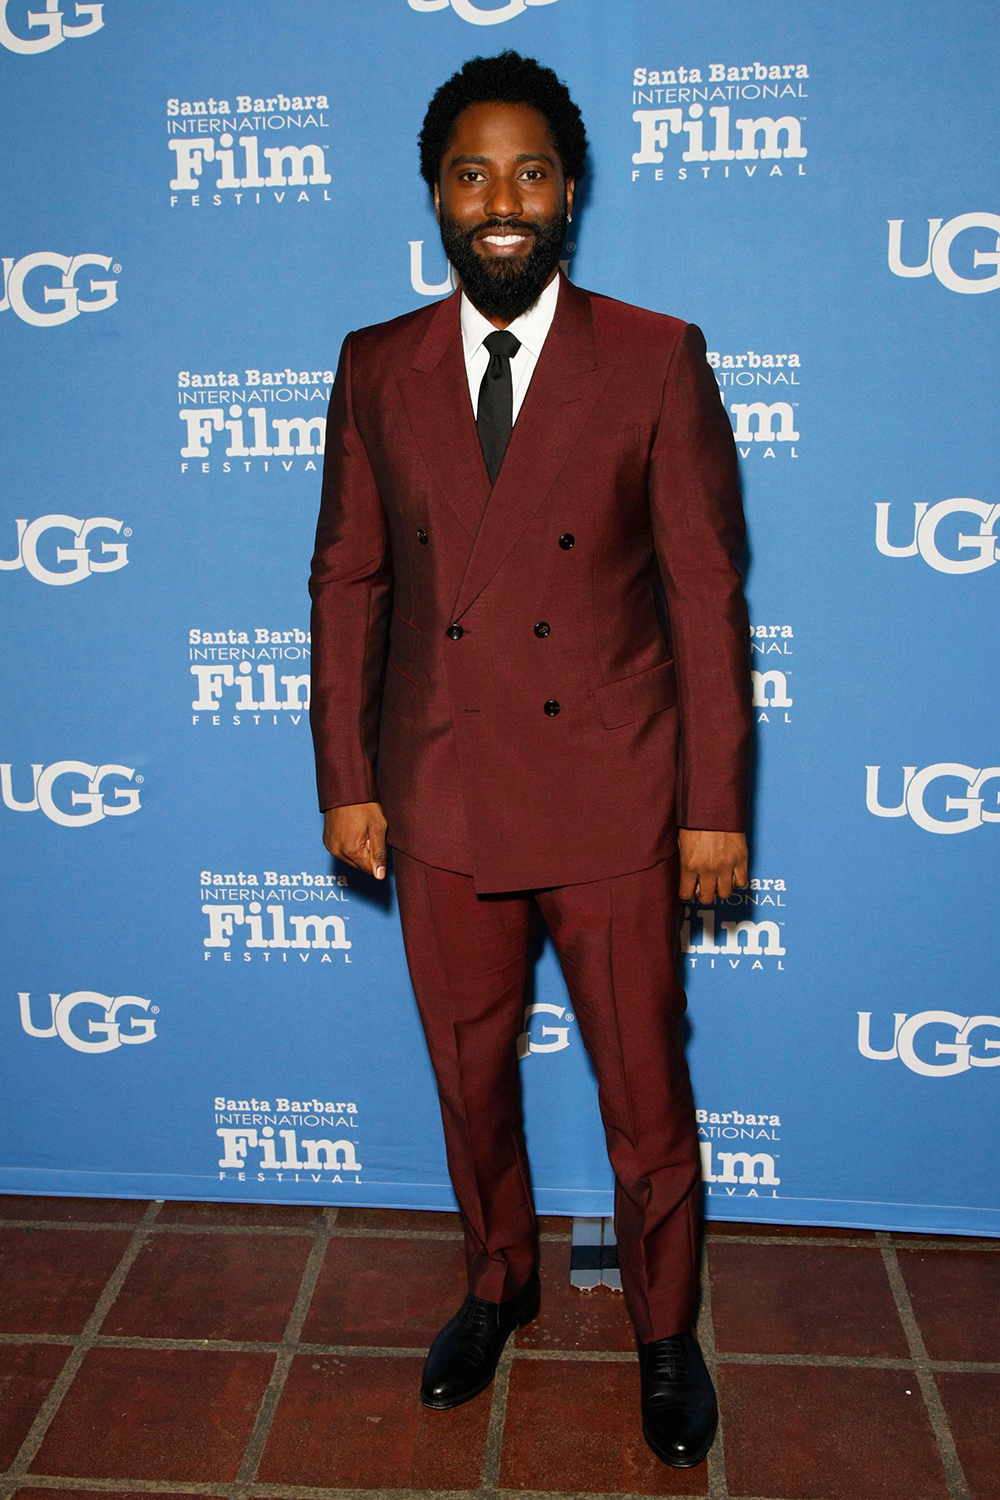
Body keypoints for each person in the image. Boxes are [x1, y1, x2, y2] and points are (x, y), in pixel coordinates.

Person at [309, 50, 751, 1470]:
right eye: (471, 173)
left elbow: (702, 597)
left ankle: (665, 1331)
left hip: (616, 792)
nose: (502, 200)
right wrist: (347, 776)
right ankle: (499, 1282)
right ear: (436, 195)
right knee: (468, 1071)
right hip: (440, 794)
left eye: (531, 171)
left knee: (644, 1089)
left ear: (573, 192)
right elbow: (349, 584)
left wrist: (713, 807)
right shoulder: (379, 364)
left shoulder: (654, 355)